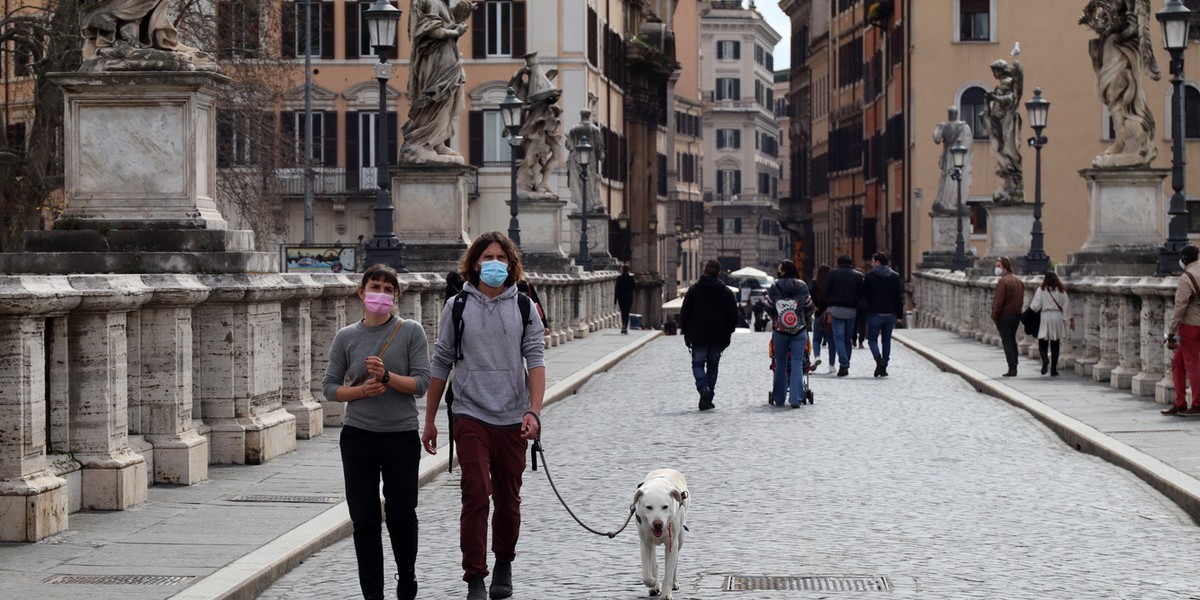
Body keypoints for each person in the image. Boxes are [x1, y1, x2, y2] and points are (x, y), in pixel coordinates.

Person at [422, 231, 546, 600]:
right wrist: (429, 419)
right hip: (469, 412)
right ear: (474, 263)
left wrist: (534, 412)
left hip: (512, 415)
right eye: (487, 257)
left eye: (501, 257)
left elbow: (536, 360)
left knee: (508, 499)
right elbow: (441, 360)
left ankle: (504, 561)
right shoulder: (457, 306)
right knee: (476, 493)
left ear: (511, 264)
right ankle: (475, 575)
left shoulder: (525, 307)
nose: (494, 263)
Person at [322, 264, 431, 600]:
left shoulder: (411, 331)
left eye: (387, 289)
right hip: (358, 437)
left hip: (400, 435)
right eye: (375, 287)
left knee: (401, 515)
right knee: (365, 519)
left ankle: (407, 576)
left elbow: (421, 384)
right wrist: (359, 393)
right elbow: (329, 388)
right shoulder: (346, 336)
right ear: (361, 292)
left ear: (396, 296)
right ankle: (372, 594)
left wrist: (386, 377)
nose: (380, 294)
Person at [1080, 0, 1160, 169]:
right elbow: (1102, 15)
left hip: (1123, 50)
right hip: (1110, 45)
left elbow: (1135, 28)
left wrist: (1115, 30)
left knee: (1118, 92)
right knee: (1111, 95)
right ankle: (1120, 142)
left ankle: (1124, 143)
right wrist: (1098, 24)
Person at [402, 0, 470, 162]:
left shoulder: (442, 4)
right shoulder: (432, 2)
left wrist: (459, 18)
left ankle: (437, 141)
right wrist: (456, 32)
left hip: (446, 58)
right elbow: (431, 31)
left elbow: (442, 26)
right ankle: (423, 141)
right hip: (437, 61)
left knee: (447, 98)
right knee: (438, 96)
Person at [679, 260, 740, 410]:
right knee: (713, 366)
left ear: (704, 271)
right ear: (718, 273)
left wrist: (686, 332)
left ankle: (703, 388)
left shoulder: (693, 290)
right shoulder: (726, 292)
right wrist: (729, 332)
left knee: (697, 364)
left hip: (698, 335)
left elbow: (684, 314)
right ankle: (707, 396)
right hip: (718, 336)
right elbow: (734, 316)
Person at [766, 260, 814, 407]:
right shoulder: (802, 286)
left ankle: (779, 399)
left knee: (780, 364)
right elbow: (809, 306)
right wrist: (800, 317)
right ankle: (795, 399)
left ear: (784, 271)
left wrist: (777, 317)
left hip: (780, 330)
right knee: (797, 363)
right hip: (799, 329)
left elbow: (769, 307)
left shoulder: (774, 286)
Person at [1164, 244, 1200, 416]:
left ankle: (1197, 404)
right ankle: (1180, 403)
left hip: (1190, 326)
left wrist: (1171, 331)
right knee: (1177, 363)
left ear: (1185, 259)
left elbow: (1180, 307)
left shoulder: (1186, 278)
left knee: (1192, 365)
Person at [981, 59, 1024, 200]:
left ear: (1001, 70)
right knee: (998, 146)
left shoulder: (1009, 81)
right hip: (997, 117)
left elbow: (1011, 99)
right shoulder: (1002, 84)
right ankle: (1007, 177)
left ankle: (1012, 178)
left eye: (995, 70)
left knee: (1006, 146)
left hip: (1006, 118)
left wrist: (994, 97)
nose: (994, 74)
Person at [862, 252, 905, 377]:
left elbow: (864, 294)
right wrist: (900, 315)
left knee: (872, 340)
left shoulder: (870, 276)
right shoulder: (895, 276)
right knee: (886, 340)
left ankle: (878, 359)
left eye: (873, 261)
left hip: (875, 313)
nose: (871, 263)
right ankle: (884, 365)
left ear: (878, 262)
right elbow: (899, 297)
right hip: (890, 314)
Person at [824, 255, 863, 377]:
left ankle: (844, 364)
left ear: (838, 263)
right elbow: (861, 293)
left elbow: (826, 290)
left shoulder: (833, 273)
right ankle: (845, 363)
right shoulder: (858, 275)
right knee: (848, 339)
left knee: (838, 339)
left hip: (836, 309)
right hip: (851, 310)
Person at [1029, 270, 1071, 377]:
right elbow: (1066, 306)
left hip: (1045, 316)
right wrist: (1066, 319)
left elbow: (1035, 306)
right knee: (1055, 344)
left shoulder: (1041, 290)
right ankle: (1053, 369)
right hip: (1057, 317)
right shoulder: (1062, 291)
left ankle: (1045, 360)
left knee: (1042, 341)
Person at [933, 106, 975, 212]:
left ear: (949, 114)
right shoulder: (964, 127)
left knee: (949, 178)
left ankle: (947, 201)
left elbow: (936, 139)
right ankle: (952, 202)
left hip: (949, 156)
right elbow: (969, 145)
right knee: (956, 178)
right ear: (957, 114)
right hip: (959, 156)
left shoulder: (945, 126)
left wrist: (938, 127)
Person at [992, 256, 1024, 377]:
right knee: (1012, 340)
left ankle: (1011, 367)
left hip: (1005, 315)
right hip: (1016, 315)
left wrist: (995, 316)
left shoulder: (1003, 282)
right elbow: (1021, 299)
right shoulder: (1018, 281)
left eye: (999, 266)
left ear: (1005, 267)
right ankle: (1015, 364)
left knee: (1007, 342)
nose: (997, 268)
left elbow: (999, 302)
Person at [809, 264, 836, 374]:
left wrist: (815, 305)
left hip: (819, 313)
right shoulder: (833, 284)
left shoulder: (814, 284)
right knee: (831, 341)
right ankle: (831, 365)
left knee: (816, 339)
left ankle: (817, 356)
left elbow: (809, 295)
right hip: (830, 314)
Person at [614, 264, 636, 334]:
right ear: (628, 270)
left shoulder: (619, 278)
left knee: (623, 312)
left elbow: (616, 289)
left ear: (622, 270)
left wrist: (615, 300)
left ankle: (623, 325)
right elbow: (634, 287)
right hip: (629, 298)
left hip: (621, 298)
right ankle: (625, 327)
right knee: (627, 312)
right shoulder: (631, 278)